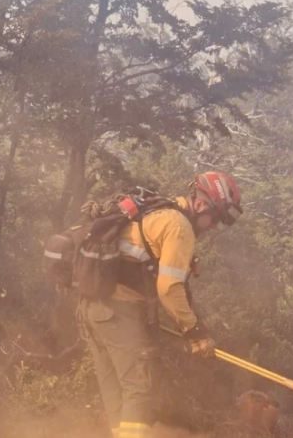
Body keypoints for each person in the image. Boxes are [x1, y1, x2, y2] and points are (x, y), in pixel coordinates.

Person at [77, 171, 243, 438]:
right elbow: (169, 288)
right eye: (214, 217)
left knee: (116, 391)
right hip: (119, 311)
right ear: (201, 204)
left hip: (94, 310)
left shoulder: (161, 210)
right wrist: (194, 331)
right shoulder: (179, 226)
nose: (214, 226)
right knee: (140, 390)